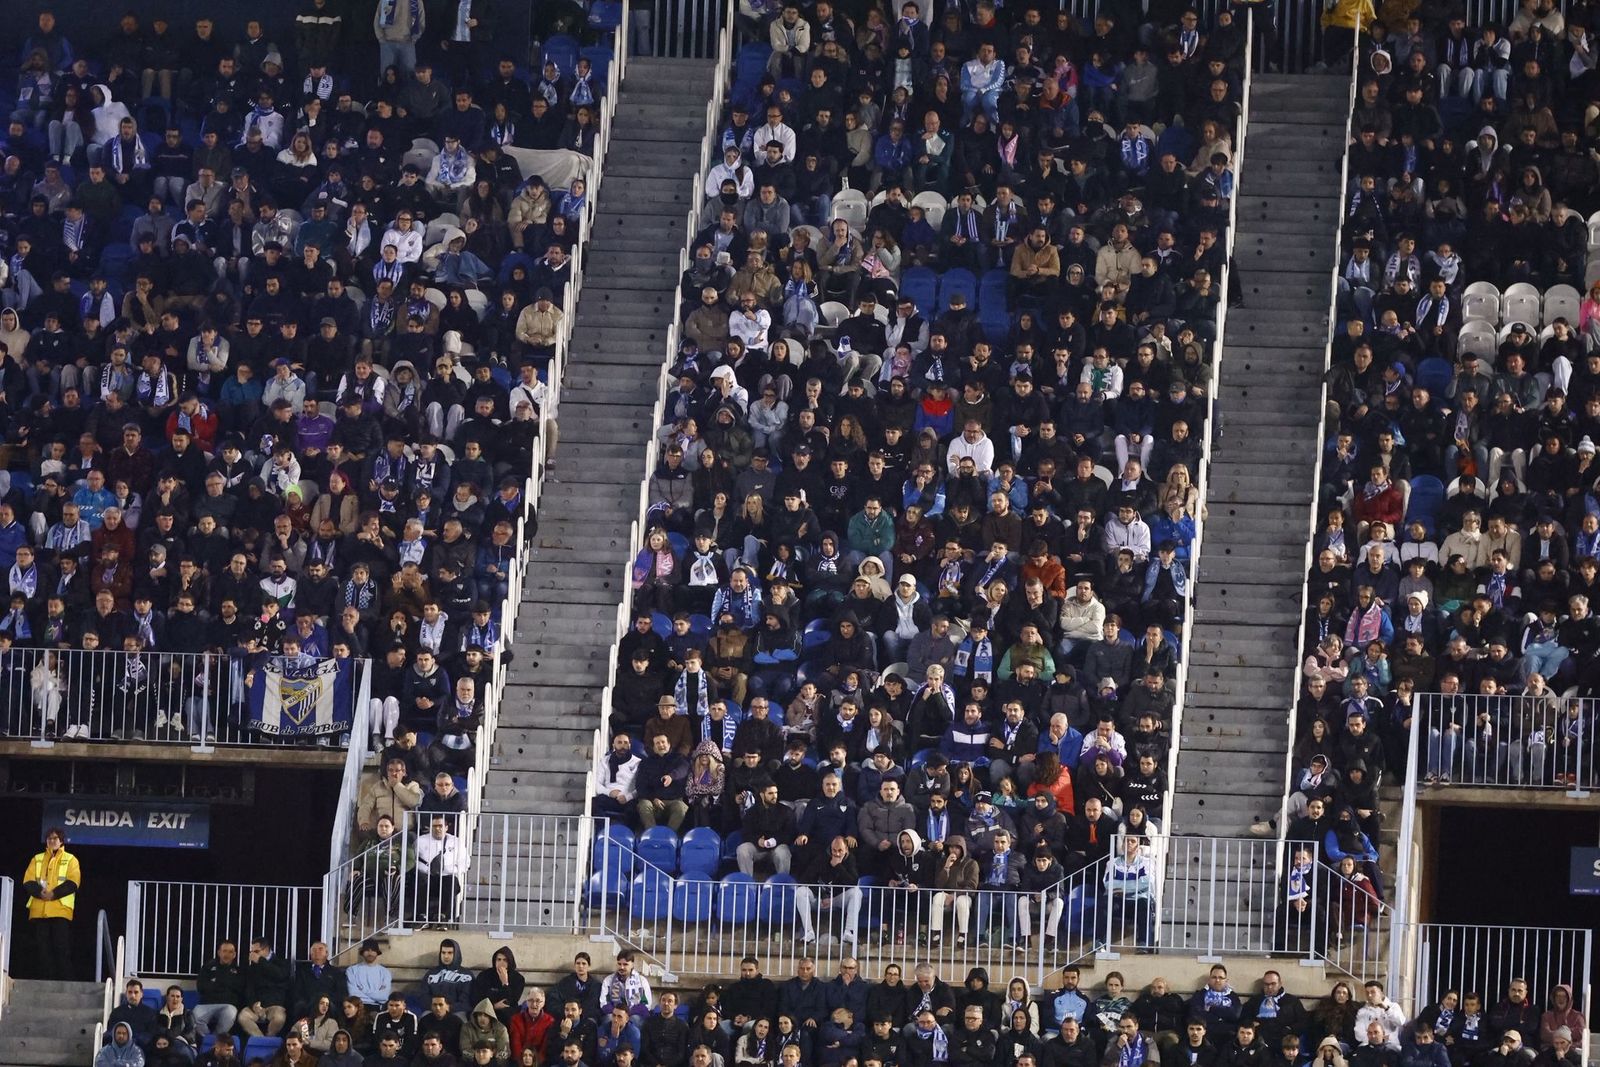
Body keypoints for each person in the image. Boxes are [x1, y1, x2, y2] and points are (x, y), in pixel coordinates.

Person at [21, 826, 80, 979]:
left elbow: (73, 882)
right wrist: (40, 893)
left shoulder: (71, 859)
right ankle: (46, 981)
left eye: (55, 838)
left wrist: (53, 894)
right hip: (39, 910)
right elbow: (28, 881)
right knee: (42, 949)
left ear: (61, 841)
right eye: (49, 838)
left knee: (62, 948)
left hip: (60, 910)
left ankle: (65, 982)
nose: (52, 841)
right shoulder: (37, 858)